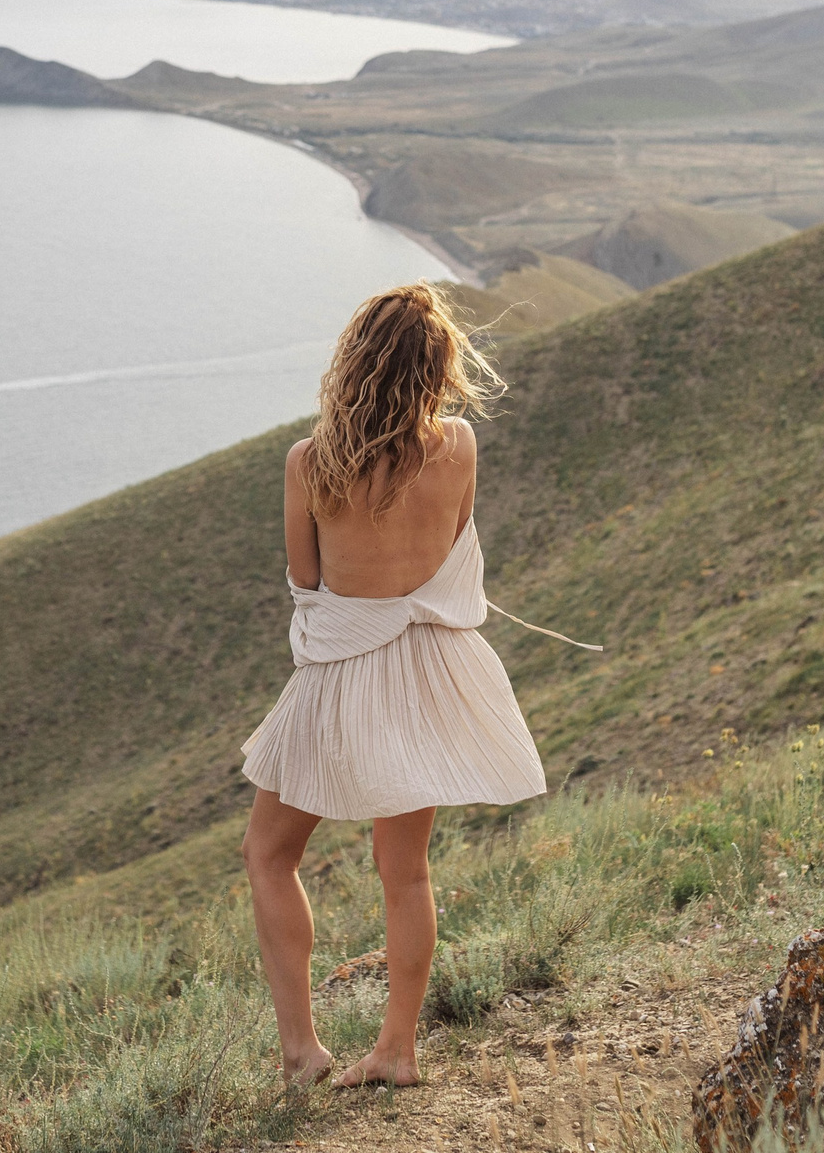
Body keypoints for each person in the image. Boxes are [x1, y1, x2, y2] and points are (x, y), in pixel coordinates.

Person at [240, 283, 575, 1089]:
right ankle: (396, 1050)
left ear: (355, 361)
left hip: (348, 672)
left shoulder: (311, 461)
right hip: (429, 668)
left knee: (268, 853)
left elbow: (305, 578)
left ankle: (301, 1052)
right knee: (407, 870)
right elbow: (451, 549)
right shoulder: (457, 446)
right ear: (436, 367)